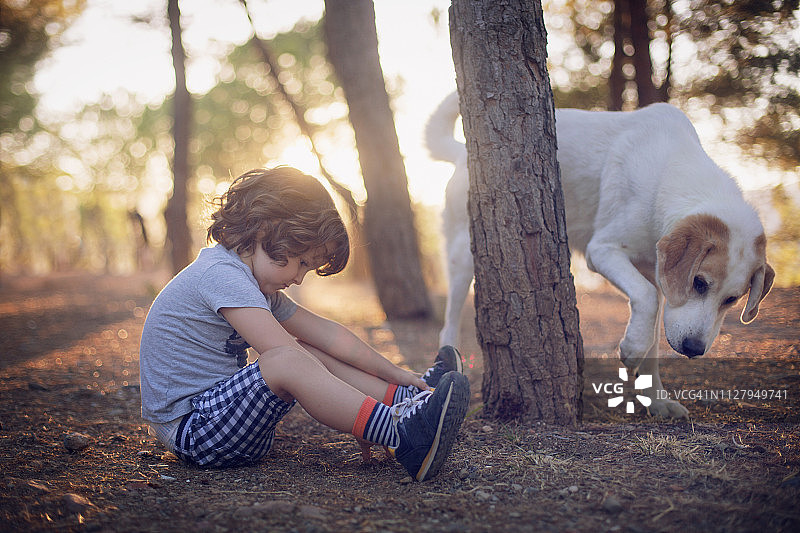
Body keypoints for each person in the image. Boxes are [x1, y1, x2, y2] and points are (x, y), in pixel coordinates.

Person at [139, 166, 469, 481]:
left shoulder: (252, 283)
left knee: (304, 350)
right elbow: (283, 356)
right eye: (301, 263)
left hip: (224, 421)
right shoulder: (220, 276)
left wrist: (397, 373)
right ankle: (402, 434)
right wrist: (363, 417)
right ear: (266, 231)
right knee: (289, 356)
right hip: (195, 432)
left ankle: (407, 398)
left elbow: (329, 336)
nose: (298, 278)